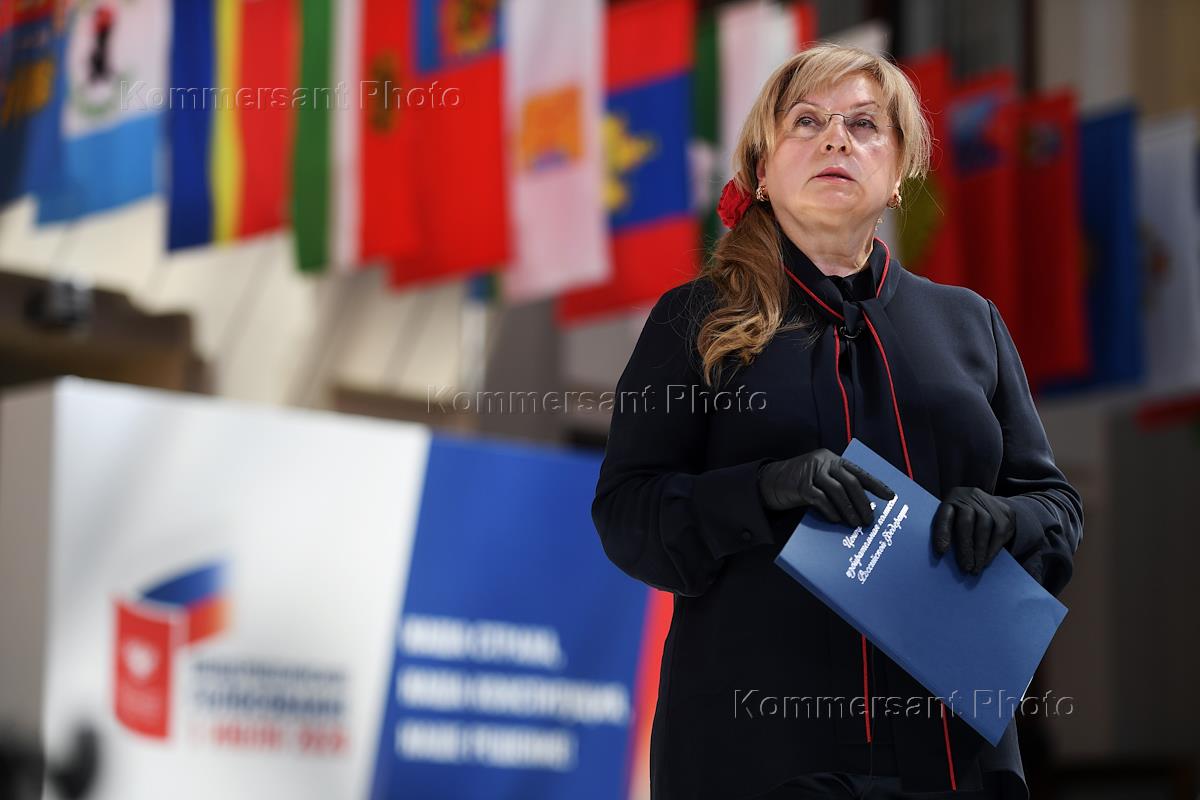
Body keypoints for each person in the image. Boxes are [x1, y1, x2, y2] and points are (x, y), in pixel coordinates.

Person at [590, 43, 1083, 800]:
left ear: (900, 171)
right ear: (760, 171)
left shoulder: (970, 323)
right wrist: (764, 489)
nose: (835, 140)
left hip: (954, 757)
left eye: (863, 124)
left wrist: (1006, 520)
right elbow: (627, 515)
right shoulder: (696, 320)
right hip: (760, 757)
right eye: (806, 122)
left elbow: (1056, 508)